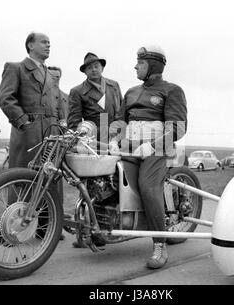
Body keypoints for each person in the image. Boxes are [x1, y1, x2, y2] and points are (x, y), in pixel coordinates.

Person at [109, 46, 187, 269]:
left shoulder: (172, 90)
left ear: (153, 65)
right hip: (129, 147)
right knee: (105, 175)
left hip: (157, 150)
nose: (135, 66)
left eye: (140, 62)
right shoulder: (131, 91)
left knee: (147, 185)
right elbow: (119, 120)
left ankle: (160, 244)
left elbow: (178, 128)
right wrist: (114, 139)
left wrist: (152, 146)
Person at [0, 32, 65, 240]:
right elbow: (5, 97)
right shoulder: (15, 67)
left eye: (49, 42)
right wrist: (23, 122)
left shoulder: (51, 74)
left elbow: (58, 100)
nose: (48, 45)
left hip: (52, 132)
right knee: (22, 179)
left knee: (51, 177)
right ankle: (14, 227)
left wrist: (62, 123)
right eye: (44, 42)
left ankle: (48, 227)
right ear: (30, 45)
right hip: (29, 132)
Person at [67, 53, 123, 143]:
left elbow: (122, 111)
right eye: (89, 68)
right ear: (84, 72)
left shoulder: (114, 86)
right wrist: (76, 141)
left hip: (116, 137)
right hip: (93, 139)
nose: (94, 70)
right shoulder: (77, 91)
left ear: (102, 68)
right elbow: (74, 122)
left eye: (96, 66)